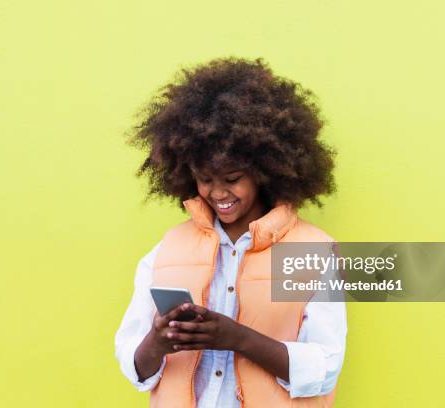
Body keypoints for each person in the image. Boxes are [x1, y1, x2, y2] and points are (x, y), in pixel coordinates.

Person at [115, 57, 347, 407]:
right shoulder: (166, 251)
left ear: (265, 170)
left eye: (233, 179)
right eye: (205, 179)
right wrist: (159, 341)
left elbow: (325, 368)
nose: (218, 193)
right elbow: (135, 365)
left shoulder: (315, 251)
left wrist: (238, 338)